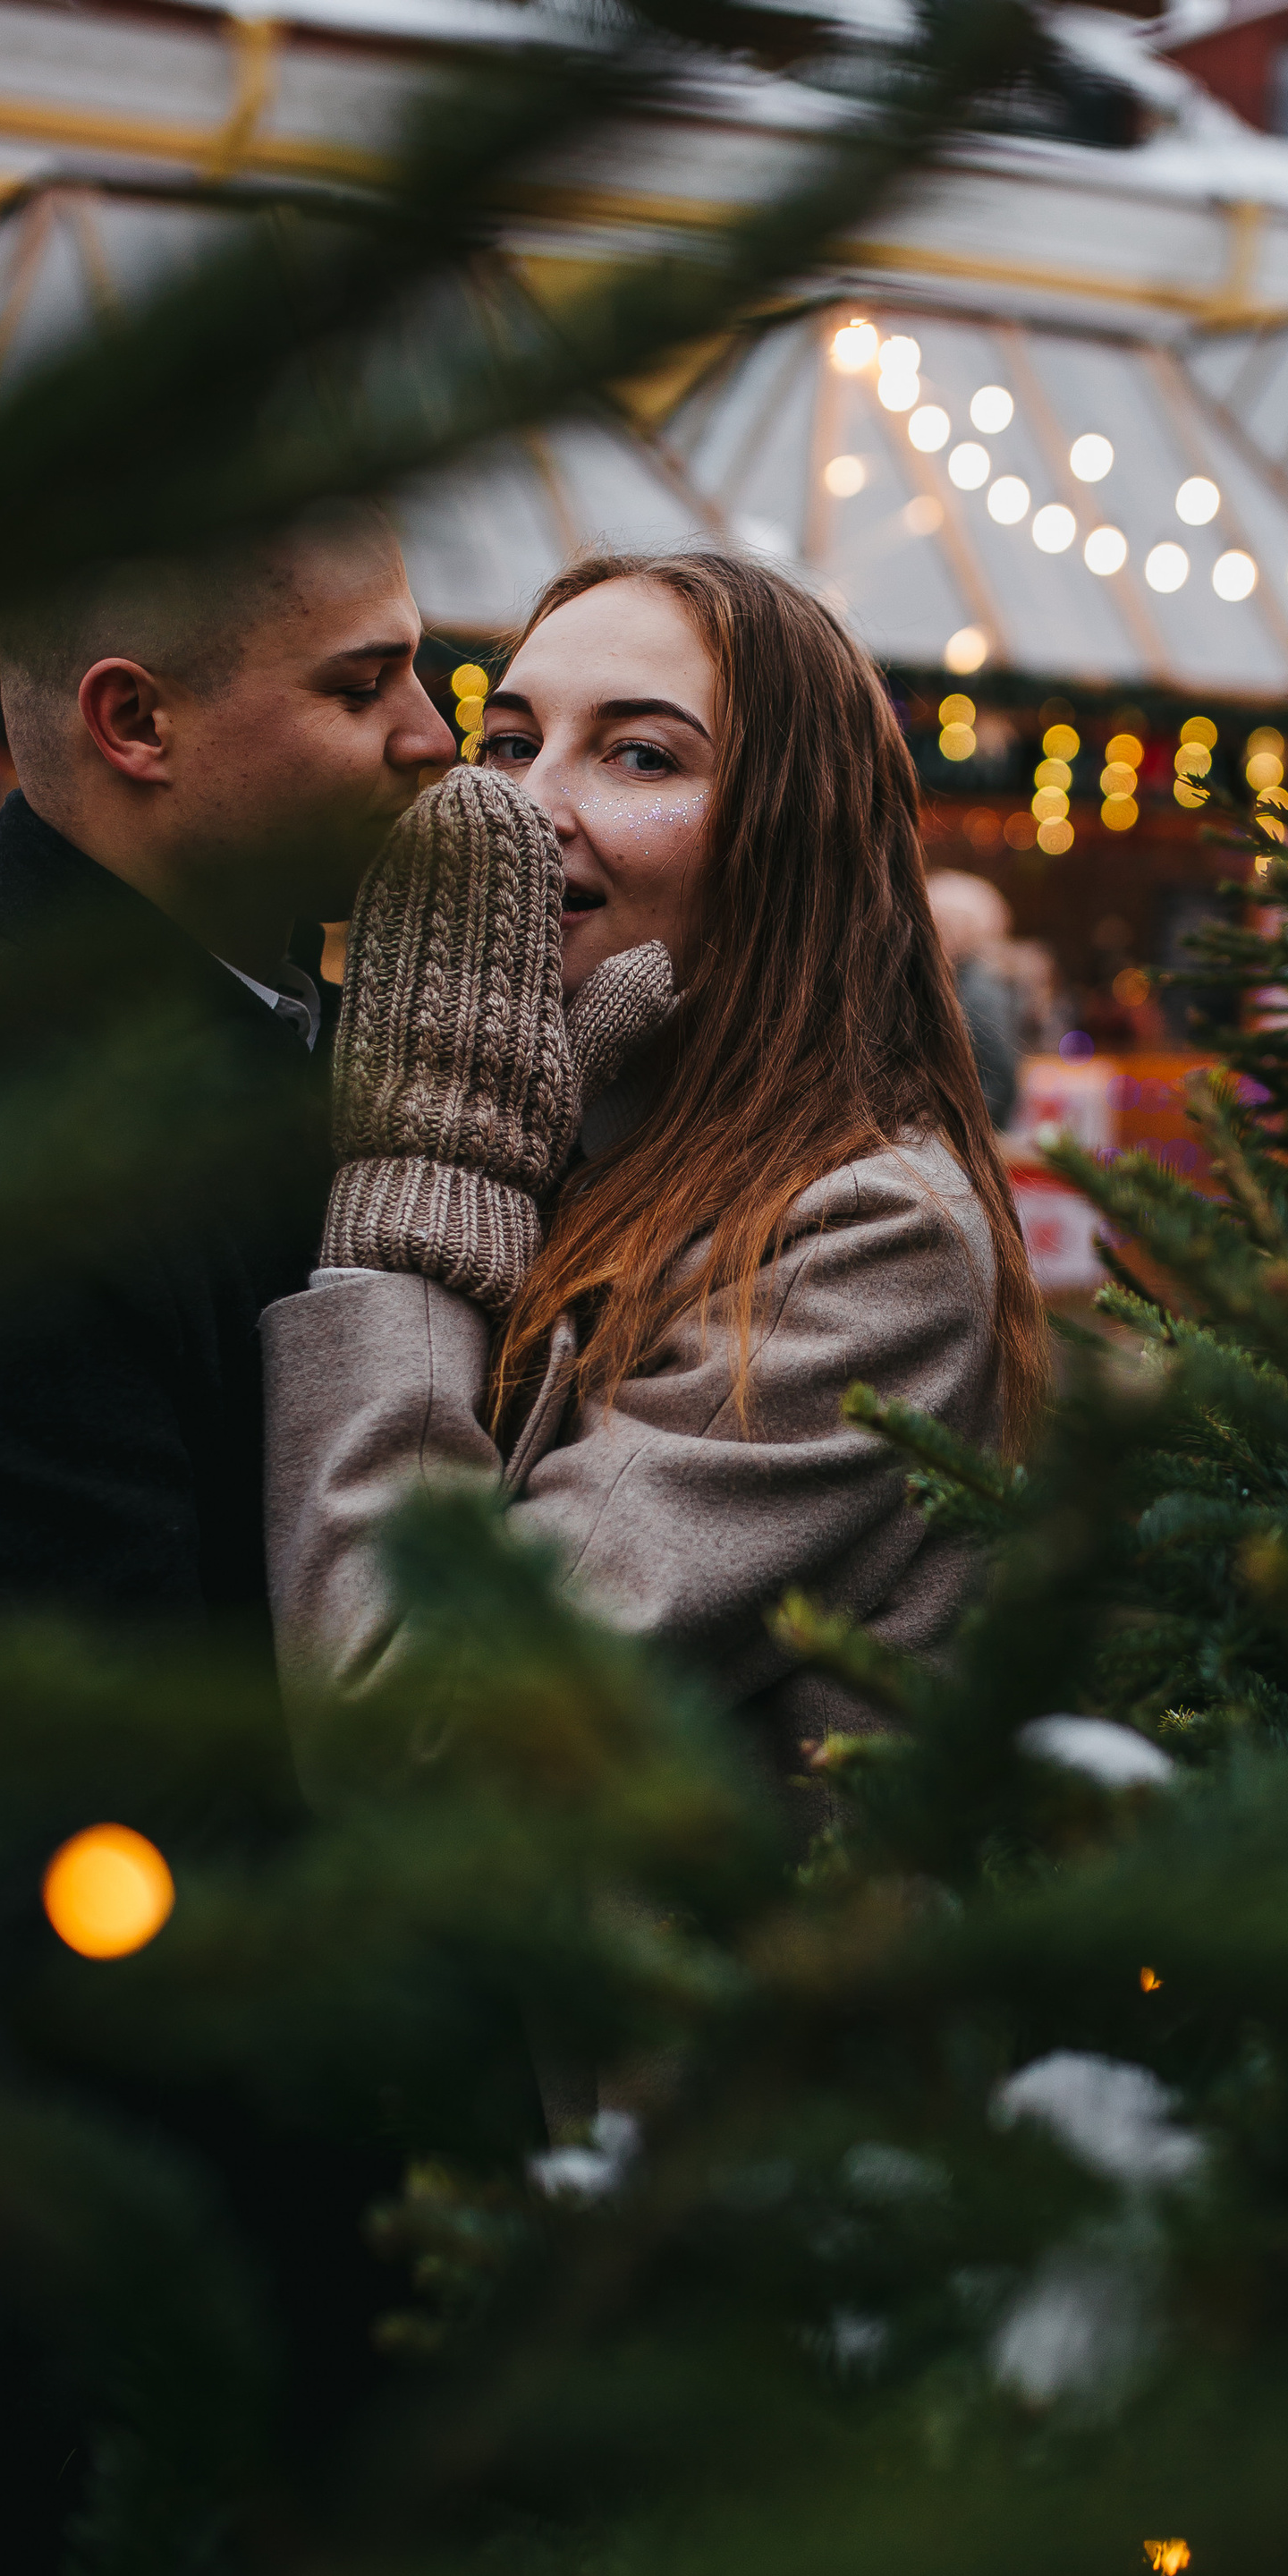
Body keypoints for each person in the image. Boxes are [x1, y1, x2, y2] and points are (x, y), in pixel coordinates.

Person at [0, 505, 457, 2576]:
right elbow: (94, 1844)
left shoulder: (219, 1034)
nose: (432, 738)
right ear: (133, 720)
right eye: (362, 684)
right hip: (114, 2359)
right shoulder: (17, 1153)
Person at [264, 548, 1049, 1790]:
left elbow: (410, 1725)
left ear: (793, 845)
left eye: (642, 755)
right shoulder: (589, 1127)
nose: (526, 807)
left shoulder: (865, 1236)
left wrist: (430, 1157)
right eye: (511, 743)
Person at [925, 869, 1024, 1131]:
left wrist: (955, 1126)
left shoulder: (981, 990)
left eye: (940, 923)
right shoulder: (956, 980)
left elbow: (1000, 1078)